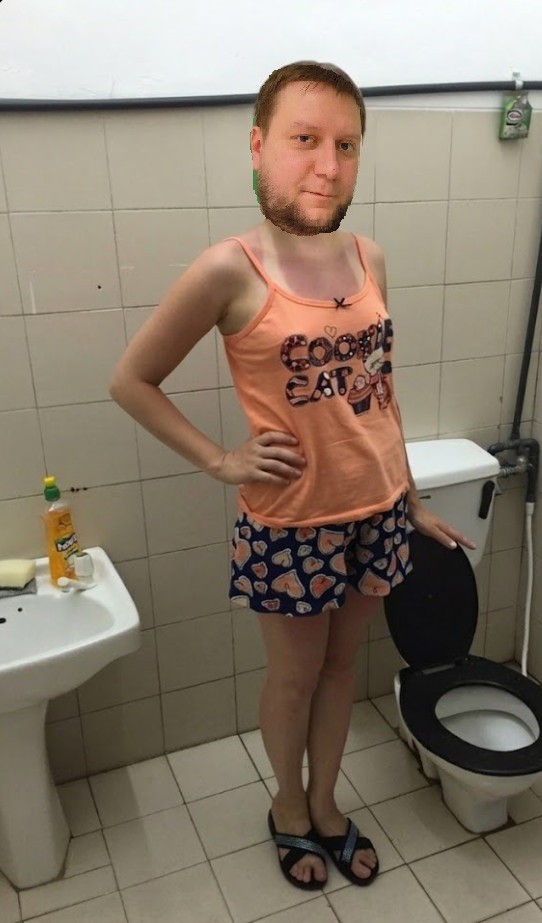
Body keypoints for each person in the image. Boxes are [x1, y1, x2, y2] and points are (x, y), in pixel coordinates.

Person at [109, 60, 476, 891]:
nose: (326, 165)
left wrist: (410, 498)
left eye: (346, 145)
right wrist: (220, 459)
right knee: (295, 675)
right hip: (291, 521)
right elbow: (131, 380)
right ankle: (286, 804)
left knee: (342, 671)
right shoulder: (228, 269)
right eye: (304, 139)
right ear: (258, 145)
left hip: (377, 510)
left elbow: (378, 392)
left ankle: (325, 801)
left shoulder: (369, 257)